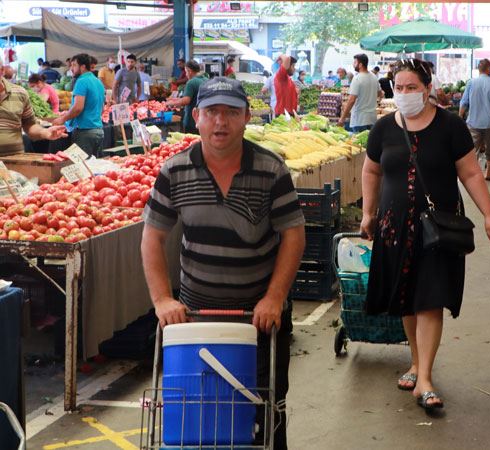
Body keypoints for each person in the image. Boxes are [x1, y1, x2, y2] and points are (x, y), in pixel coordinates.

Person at [141, 76, 305, 450]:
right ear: (196, 116)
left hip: (261, 319)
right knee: (200, 416)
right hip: (197, 320)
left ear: (246, 117)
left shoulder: (271, 169)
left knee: (266, 414)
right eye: (212, 112)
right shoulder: (174, 170)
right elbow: (152, 236)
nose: (221, 122)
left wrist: (275, 298)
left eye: (231, 112)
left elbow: (293, 235)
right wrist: (163, 300)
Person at [361, 58, 490, 411]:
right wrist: (368, 213)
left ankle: (424, 377)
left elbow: (470, 174)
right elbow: (371, 170)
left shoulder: (449, 126)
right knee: (408, 299)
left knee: (430, 298)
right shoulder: (383, 129)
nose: (406, 94)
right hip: (396, 228)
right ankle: (415, 361)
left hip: (437, 231)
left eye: (412, 88)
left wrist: (489, 214)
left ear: (427, 89)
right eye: (400, 88)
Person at [0, 73, 67, 155]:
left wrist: (45, 132)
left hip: (15, 159)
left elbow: (30, 125)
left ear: (2, 70)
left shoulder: (20, 93)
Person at [51, 53, 104, 156]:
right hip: (98, 131)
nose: (71, 68)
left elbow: (78, 108)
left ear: (83, 67)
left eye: (74, 65)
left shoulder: (82, 81)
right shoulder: (98, 82)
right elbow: (101, 109)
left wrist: (63, 119)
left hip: (85, 133)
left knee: (81, 168)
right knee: (94, 167)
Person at [459, 58, 490, 181]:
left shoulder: (471, 83)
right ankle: (488, 173)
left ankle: (474, 173)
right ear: (489, 69)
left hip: (473, 122)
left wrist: (459, 117)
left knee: (473, 149)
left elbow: (464, 102)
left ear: (479, 69)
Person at [337, 53, 381, 132]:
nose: (353, 65)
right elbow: (380, 94)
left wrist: (342, 118)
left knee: (358, 143)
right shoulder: (374, 77)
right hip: (372, 118)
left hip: (360, 120)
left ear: (360, 64)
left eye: (355, 62)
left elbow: (351, 100)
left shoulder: (357, 78)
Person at [166, 60, 205, 134]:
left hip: (192, 122)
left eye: (186, 72)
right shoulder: (205, 80)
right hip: (203, 120)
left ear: (190, 71)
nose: (186, 74)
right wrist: (176, 99)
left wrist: (171, 103)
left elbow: (186, 100)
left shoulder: (191, 82)